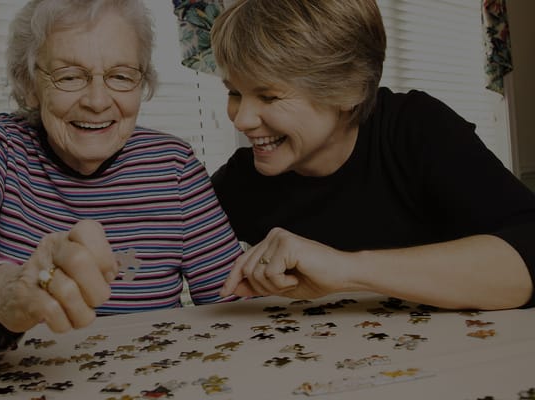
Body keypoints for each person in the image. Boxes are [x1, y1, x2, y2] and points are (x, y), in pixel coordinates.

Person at [0, 0, 242, 353]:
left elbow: (235, 302)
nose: (97, 101)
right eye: (69, 76)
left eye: (121, 76)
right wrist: (6, 291)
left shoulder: (175, 166)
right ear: (30, 84)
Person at [210, 0, 535, 310]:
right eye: (235, 92)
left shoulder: (416, 128)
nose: (241, 119)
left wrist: (346, 270)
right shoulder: (240, 180)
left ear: (346, 89)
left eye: (268, 96)